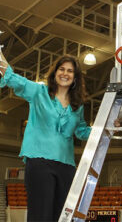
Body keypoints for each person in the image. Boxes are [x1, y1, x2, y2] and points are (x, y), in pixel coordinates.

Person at [0, 49, 101, 221]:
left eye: (70, 71)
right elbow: (12, 77)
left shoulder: (78, 106)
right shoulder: (39, 92)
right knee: (41, 215)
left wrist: (107, 127)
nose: (65, 73)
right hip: (40, 162)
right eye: (61, 69)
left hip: (66, 166)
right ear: (55, 73)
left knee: (62, 217)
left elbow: (82, 131)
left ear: (75, 78)